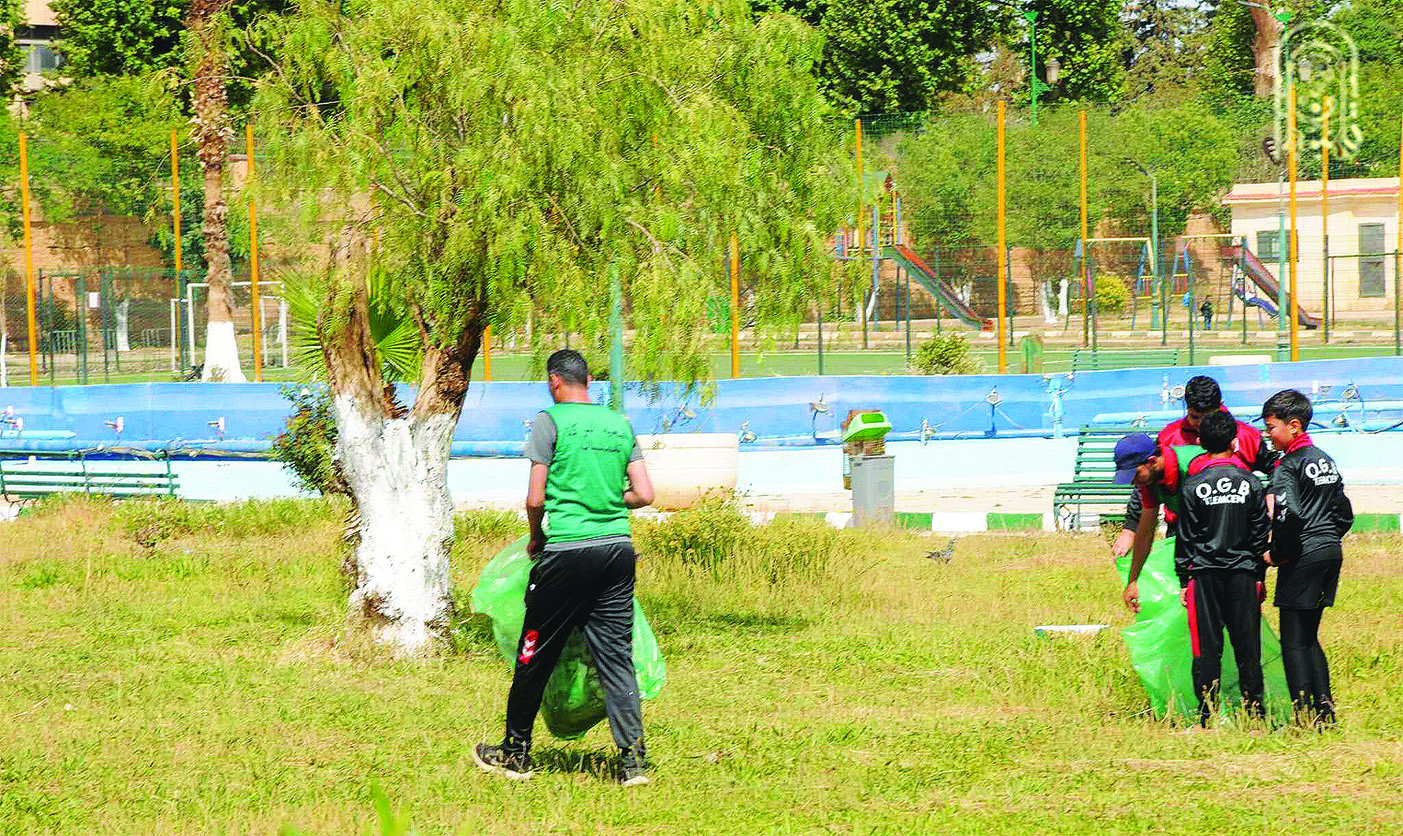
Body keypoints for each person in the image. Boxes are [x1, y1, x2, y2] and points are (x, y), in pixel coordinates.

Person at [475, 349, 656, 785]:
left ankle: (515, 753)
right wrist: (611, 500)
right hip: (617, 552)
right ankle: (632, 762)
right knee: (616, 658)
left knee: (533, 654)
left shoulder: (549, 421)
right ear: (589, 380)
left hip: (568, 552)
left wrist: (537, 536)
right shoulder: (619, 424)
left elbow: (535, 498)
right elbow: (645, 494)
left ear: (554, 382)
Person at [1169, 411, 1271, 726]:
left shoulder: (1192, 486)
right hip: (1243, 574)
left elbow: (1185, 538)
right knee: (1247, 646)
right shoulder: (1252, 483)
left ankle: (1206, 716)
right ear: (1236, 443)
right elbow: (1259, 536)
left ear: (1200, 443)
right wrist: (1259, 577)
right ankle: (1255, 714)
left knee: (1206, 647)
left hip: (1203, 576)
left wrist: (1185, 580)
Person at [1261, 389, 1353, 726]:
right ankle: (1325, 712)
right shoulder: (1324, 458)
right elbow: (1344, 513)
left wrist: (1276, 554)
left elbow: (1290, 515)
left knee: (1293, 642)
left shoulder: (1289, 465)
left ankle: (1303, 715)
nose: (1268, 435)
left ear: (1294, 425)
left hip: (1302, 555)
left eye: (1272, 427)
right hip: (1330, 551)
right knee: (1309, 637)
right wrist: (1327, 540)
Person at [1111, 375, 1275, 558]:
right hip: (1182, 528)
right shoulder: (1169, 438)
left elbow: (1275, 467)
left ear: (1220, 405)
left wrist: (1272, 491)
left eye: (1208, 417)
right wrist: (1131, 528)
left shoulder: (1246, 436)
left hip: (1234, 527)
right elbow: (1147, 480)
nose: (1201, 425)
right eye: (1194, 417)